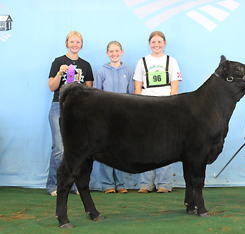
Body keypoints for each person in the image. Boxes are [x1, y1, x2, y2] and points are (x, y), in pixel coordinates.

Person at [133, 31, 182, 193]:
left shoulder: (171, 61)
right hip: (147, 106)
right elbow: (137, 88)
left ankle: (165, 184)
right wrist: (138, 109)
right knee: (146, 145)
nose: (156, 45)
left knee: (167, 145)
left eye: (159, 42)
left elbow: (174, 87)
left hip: (166, 106)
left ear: (164, 43)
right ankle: (146, 184)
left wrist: (172, 107)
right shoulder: (142, 62)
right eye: (153, 42)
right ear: (149, 44)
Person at [47, 31, 94, 196]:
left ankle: (73, 184)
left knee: (76, 149)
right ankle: (53, 185)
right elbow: (52, 87)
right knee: (59, 148)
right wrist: (60, 73)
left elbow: (90, 90)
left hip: (80, 111)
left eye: (78, 42)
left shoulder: (86, 65)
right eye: (72, 42)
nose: (75, 45)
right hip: (59, 107)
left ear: (81, 45)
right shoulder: (58, 62)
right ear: (67, 43)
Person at [94, 41, 134, 194]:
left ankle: (121, 184)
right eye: (111, 51)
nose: (114, 53)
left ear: (122, 52)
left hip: (124, 117)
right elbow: (96, 96)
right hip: (105, 117)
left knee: (122, 150)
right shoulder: (101, 72)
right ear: (107, 53)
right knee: (105, 150)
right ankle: (107, 184)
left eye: (117, 51)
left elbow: (131, 95)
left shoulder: (129, 71)